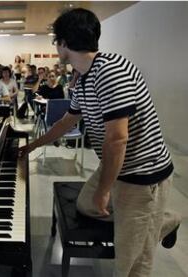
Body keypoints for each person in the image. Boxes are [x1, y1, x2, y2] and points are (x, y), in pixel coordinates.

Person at [19, 8, 181, 277]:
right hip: (119, 168)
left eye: (55, 41)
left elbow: (117, 139)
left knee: (131, 264)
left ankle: (154, 223)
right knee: (86, 205)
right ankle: (156, 221)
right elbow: (67, 121)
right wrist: (34, 145)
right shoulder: (83, 78)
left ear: (64, 43)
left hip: (142, 176)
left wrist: (105, 188)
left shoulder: (110, 72)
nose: (56, 47)